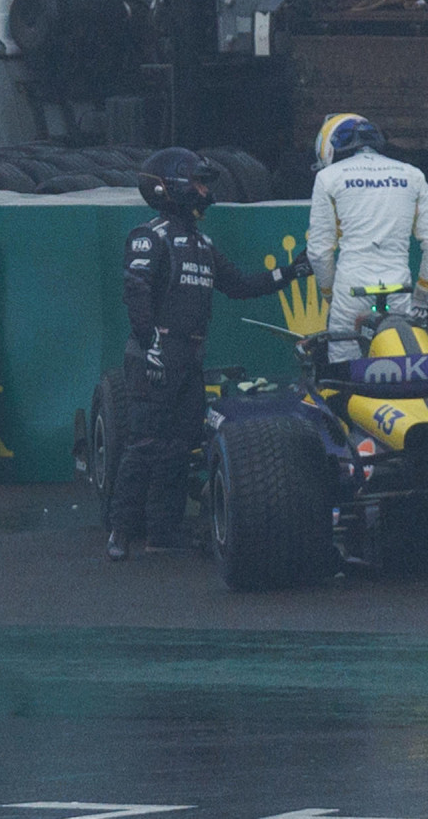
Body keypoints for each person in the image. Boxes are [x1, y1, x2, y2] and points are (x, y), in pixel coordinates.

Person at [106, 147, 313, 561]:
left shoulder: (202, 244)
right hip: (157, 354)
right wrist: (151, 347)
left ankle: (162, 533)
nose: (205, 191)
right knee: (144, 443)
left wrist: (290, 272)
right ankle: (120, 532)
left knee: (180, 447)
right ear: (172, 187)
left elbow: (238, 285)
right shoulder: (150, 236)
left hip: (190, 357)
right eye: (198, 182)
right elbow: (137, 293)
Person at [304, 113, 428, 363]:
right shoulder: (412, 175)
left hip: (351, 289)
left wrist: (330, 295)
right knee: (403, 369)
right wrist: (422, 301)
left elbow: (319, 251)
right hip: (398, 288)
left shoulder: (328, 177)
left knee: (347, 373)